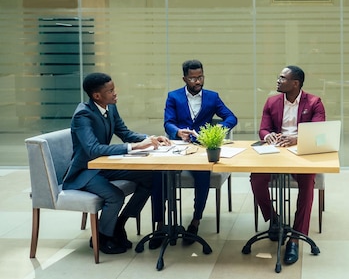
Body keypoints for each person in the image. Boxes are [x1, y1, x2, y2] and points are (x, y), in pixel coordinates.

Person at [63, 72, 170, 254]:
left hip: (104, 166)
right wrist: (134, 147)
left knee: (152, 177)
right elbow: (93, 150)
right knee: (115, 196)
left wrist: (150, 139)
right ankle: (101, 236)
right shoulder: (83, 116)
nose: (115, 93)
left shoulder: (110, 107)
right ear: (97, 96)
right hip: (86, 171)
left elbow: (125, 133)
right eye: (110, 90)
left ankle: (120, 223)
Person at [250, 65, 325, 266]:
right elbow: (263, 129)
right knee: (256, 178)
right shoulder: (272, 101)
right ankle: (274, 219)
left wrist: (296, 139)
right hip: (274, 152)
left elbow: (318, 133)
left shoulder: (314, 102)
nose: (278, 81)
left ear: (295, 83)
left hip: (300, 153)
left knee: (307, 183)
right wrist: (268, 136)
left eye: (282, 78)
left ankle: (295, 237)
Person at [162, 59, 237, 245]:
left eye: (200, 77)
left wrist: (216, 132)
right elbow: (168, 122)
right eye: (192, 78)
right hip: (179, 147)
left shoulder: (212, 97)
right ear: (184, 78)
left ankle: (196, 220)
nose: (197, 82)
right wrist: (177, 132)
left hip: (202, 148)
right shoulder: (173, 96)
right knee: (160, 174)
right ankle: (160, 225)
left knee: (202, 175)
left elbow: (231, 117)